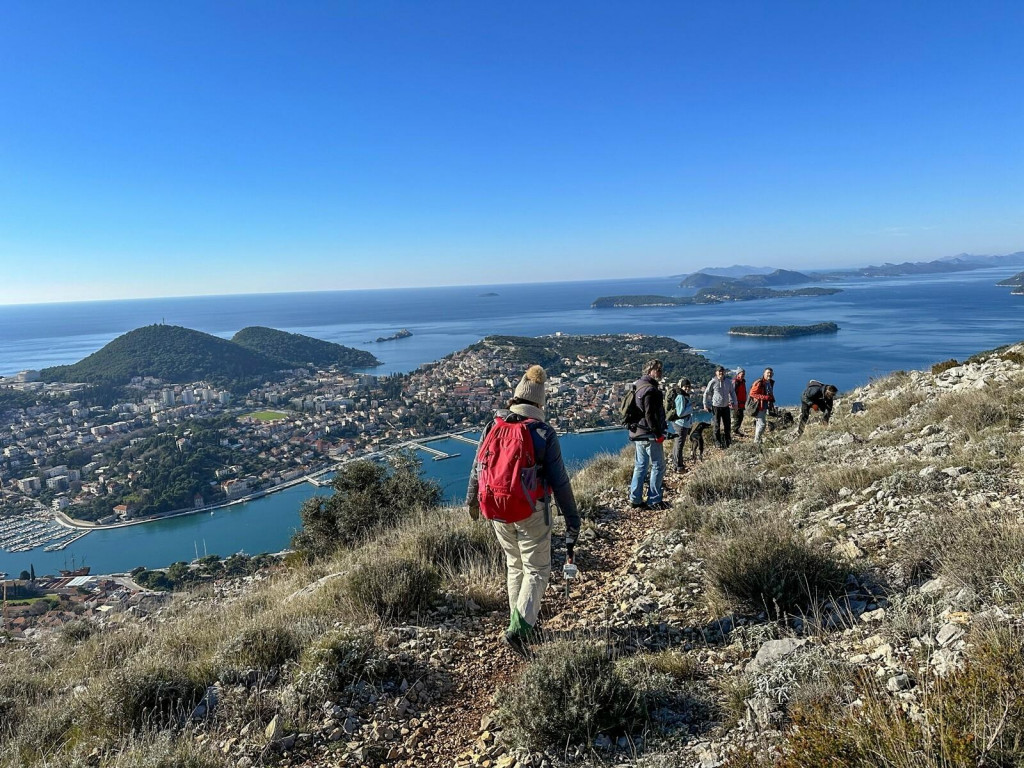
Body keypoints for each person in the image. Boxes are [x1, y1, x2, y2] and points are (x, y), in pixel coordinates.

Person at [466, 365, 581, 657]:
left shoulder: (493, 426)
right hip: (532, 511)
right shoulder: (543, 432)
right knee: (537, 570)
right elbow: (560, 480)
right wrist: (572, 519)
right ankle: (520, 629)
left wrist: (472, 503)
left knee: (514, 566)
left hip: (496, 510)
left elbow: (477, 469)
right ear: (540, 402)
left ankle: (519, 621)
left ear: (515, 397)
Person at [628, 359, 668, 510]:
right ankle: (654, 500)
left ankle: (635, 499)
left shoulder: (638, 384)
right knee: (658, 465)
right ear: (650, 370)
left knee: (640, 466)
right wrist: (658, 434)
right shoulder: (651, 390)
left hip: (639, 432)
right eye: (658, 370)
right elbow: (650, 415)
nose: (660, 372)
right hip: (650, 434)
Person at [703, 365, 737, 449]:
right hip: (716, 407)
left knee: (727, 425)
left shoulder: (728, 382)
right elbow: (706, 393)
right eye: (719, 371)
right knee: (717, 425)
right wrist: (705, 404)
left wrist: (735, 402)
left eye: (722, 371)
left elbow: (732, 392)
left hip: (726, 406)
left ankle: (728, 441)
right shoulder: (713, 382)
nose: (721, 373)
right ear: (716, 373)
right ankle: (717, 442)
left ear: (724, 372)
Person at [670, 378, 694, 472]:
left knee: (678, 444)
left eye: (688, 386)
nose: (687, 388)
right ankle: (679, 466)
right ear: (682, 387)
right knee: (679, 445)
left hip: (683, 423)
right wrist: (691, 406)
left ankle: (676, 464)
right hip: (680, 424)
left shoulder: (684, 395)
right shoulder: (680, 396)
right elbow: (680, 413)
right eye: (685, 386)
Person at [748, 367, 776, 444]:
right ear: (764, 373)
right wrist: (765, 398)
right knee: (763, 425)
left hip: (764, 406)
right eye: (768, 373)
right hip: (759, 406)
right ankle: (757, 441)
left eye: (770, 373)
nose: (769, 374)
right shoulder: (759, 382)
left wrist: (771, 400)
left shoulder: (769, 382)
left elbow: (769, 393)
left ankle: (757, 440)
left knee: (759, 424)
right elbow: (752, 393)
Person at [731, 368, 747, 437]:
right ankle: (734, 431)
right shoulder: (735, 382)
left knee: (740, 417)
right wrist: (733, 403)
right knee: (737, 418)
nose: (743, 375)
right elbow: (731, 393)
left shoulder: (742, 382)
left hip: (741, 404)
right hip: (736, 404)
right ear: (738, 374)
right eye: (742, 373)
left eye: (744, 373)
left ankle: (736, 430)